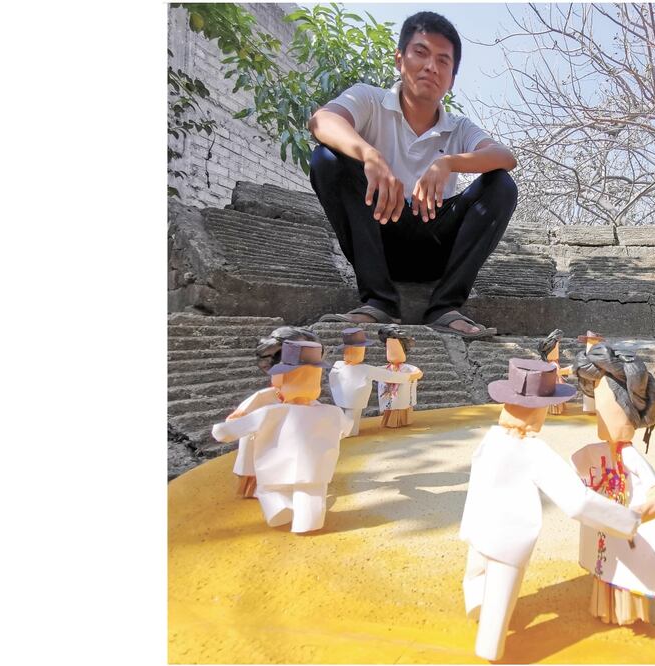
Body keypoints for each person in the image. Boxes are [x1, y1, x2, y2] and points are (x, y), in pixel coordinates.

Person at [307, 11, 517, 339]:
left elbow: (505, 157)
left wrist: (447, 163)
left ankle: (445, 307)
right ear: (400, 59)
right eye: (420, 52)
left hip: (436, 247)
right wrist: (369, 155)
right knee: (326, 157)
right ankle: (379, 301)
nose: (431, 66)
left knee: (501, 184)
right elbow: (321, 121)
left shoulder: (459, 127)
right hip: (377, 238)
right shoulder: (368, 99)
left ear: (452, 78)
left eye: (443, 60)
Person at [459, 358, 642, 660]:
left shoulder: (492, 438)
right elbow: (577, 501)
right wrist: (627, 521)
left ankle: (476, 604)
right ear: (538, 410)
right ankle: (489, 647)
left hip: (477, 524)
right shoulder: (533, 450)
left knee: (477, 576)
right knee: (499, 597)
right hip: (509, 536)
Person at [571, 343, 655, 625]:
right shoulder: (601, 451)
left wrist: (638, 514)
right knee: (607, 561)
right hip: (608, 518)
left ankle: (626, 611)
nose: (599, 415)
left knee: (623, 565)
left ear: (628, 411)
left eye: (606, 409)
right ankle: (606, 606)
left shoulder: (630, 456)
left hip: (625, 517)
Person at [212, 341, 353, 533]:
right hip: (316, 467)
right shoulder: (331, 412)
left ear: (282, 379)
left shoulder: (272, 412)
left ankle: (281, 510)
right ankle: (308, 522)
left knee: (269, 490)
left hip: (276, 466)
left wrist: (222, 430)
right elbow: (346, 428)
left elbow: (232, 429)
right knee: (311, 494)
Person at [225, 325, 320, 498]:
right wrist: (237, 421)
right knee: (260, 460)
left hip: (290, 440)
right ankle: (255, 489)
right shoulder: (266, 398)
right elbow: (240, 416)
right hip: (264, 441)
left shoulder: (308, 402)